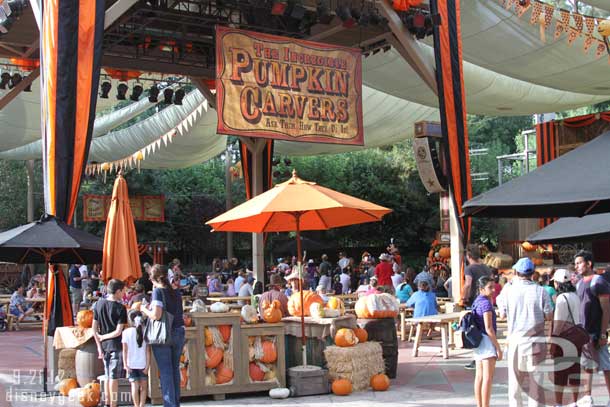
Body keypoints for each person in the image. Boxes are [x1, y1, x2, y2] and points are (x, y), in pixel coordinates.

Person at [496, 258, 552, 407]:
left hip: (515, 341)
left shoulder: (508, 290)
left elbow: (502, 314)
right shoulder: (541, 291)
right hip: (536, 343)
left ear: (516, 272)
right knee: (536, 384)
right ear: (533, 273)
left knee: (515, 384)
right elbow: (549, 316)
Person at [140, 265, 185, 407]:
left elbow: (156, 315)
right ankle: (175, 403)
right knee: (174, 369)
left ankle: (170, 404)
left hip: (164, 335)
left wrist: (143, 309)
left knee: (165, 371)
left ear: (153, 279)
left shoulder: (158, 292)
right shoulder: (176, 292)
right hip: (179, 331)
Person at [574, 250, 610, 407]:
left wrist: (603, 334)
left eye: (579, 262)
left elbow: (606, 310)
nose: (577, 266)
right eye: (575, 264)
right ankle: (587, 396)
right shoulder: (579, 283)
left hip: (597, 331)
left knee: (606, 366)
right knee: (586, 365)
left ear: (589, 263)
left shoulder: (599, 282)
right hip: (584, 331)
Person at [92, 279, 128, 407]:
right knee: (113, 377)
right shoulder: (121, 308)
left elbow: (94, 328)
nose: (124, 293)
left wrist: (99, 344)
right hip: (116, 345)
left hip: (103, 346)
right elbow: (118, 331)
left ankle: (107, 402)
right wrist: (104, 337)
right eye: (123, 291)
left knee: (107, 375)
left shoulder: (98, 304)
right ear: (118, 291)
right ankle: (113, 403)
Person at [550, 268, 581, 407]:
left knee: (560, 372)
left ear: (558, 283)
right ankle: (574, 401)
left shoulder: (561, 299)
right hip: (576, 337)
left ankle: (559, 403)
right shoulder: (576, 295)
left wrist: (553, 343)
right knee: (574, 371)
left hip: (564, 338)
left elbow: (558, 324)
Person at [471, 276, 502, 407]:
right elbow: (489, 328)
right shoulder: (486, 304)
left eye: (493, 286)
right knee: (487, 378)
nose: (493, 290)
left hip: (478, 341)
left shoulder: (477, 301)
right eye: (490, 287)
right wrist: (498, 348)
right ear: (481, 289)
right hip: (487, 341)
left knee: (479, 377)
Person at [122, 310, 150, 407]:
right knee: (144, 387)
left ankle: (136, 405)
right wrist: (147, 366)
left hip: (131, 364)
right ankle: (142, 405)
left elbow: (124, 350)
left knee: (134, 386)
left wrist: (125, 365)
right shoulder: (145, 331)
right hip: (143, 363)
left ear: (130, 320)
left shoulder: (125, 332)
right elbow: (147, 351)